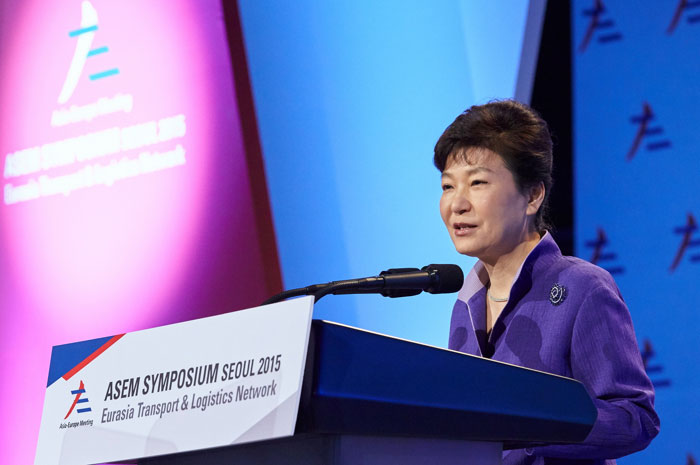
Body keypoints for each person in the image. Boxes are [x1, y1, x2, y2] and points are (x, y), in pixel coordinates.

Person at [434, 100, 659, 465]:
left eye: (477, 182)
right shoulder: (465, 304)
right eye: (447, 186)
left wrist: (528, 432)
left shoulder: (582, 289)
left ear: (533, 195)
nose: (456, 204)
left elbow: (636, 419)